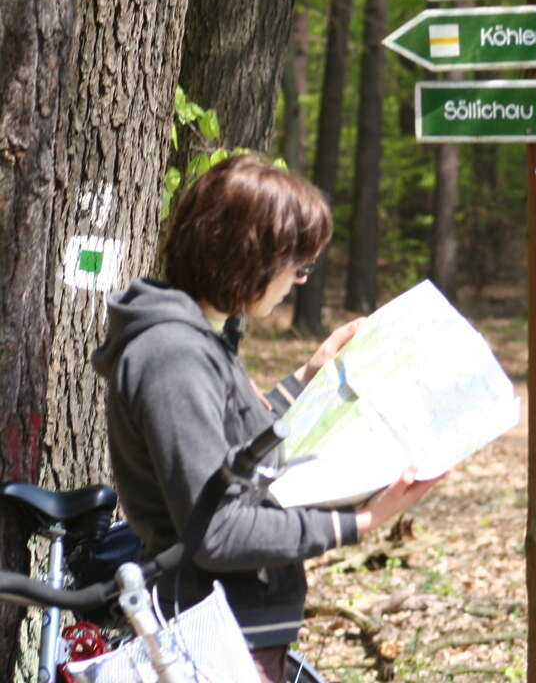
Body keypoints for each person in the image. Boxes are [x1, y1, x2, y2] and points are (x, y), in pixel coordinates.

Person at [92, 155, 439, 682]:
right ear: (247, 258)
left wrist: (308, 377)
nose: (300, 280)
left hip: (236, 629)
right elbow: (217, 530)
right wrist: (359, 523)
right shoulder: (173, 358)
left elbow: (237, 459)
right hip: (211, 638)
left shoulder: (199, 341)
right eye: (296, 265)